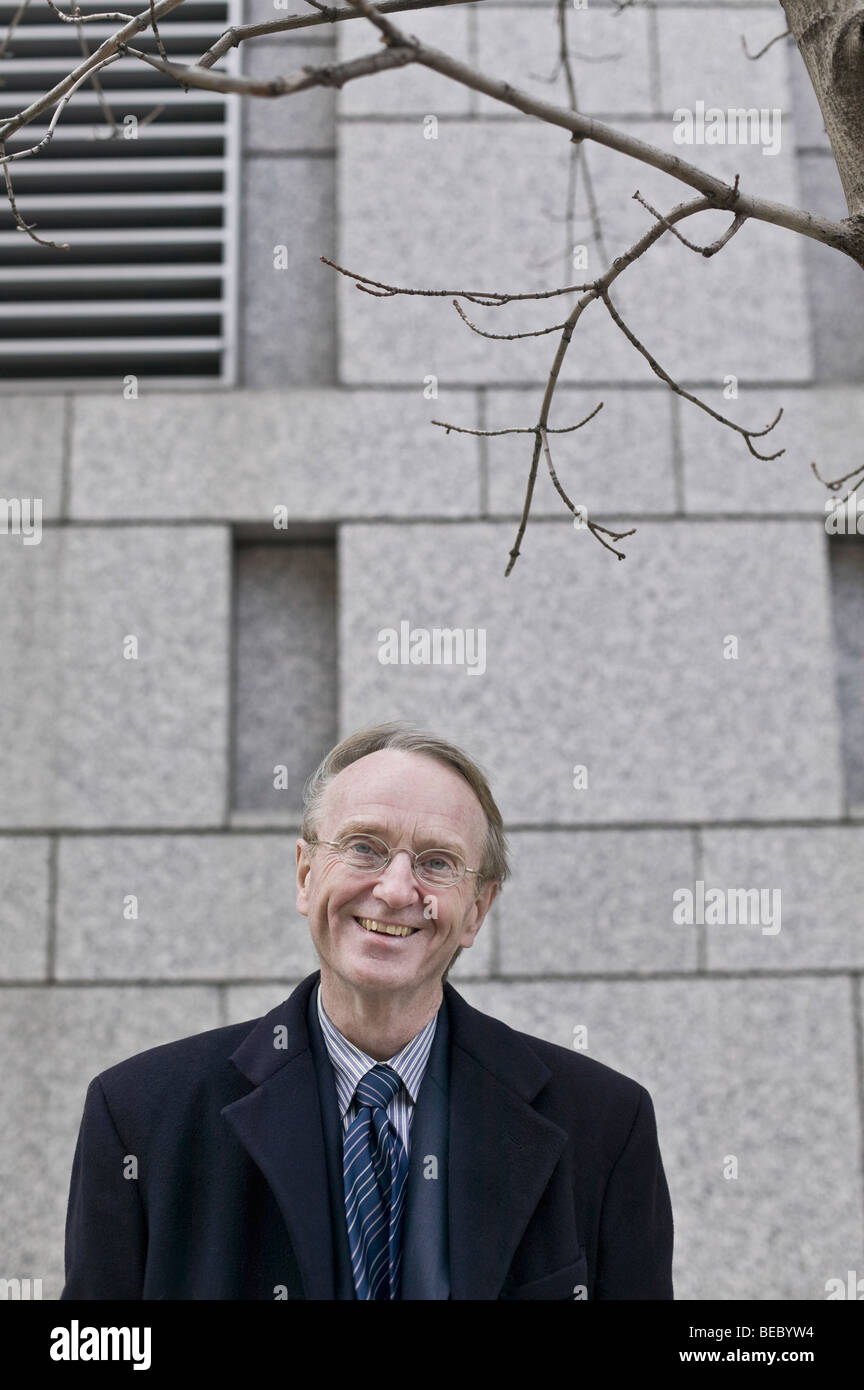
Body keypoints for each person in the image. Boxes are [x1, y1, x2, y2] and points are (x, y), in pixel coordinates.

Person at [61, 722, 674, 1300]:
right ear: (306, 875)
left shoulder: (606, 1125)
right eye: (364, 847)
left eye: (437, 862)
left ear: (477, 909)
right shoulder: (139, 1116)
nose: (397, 889)